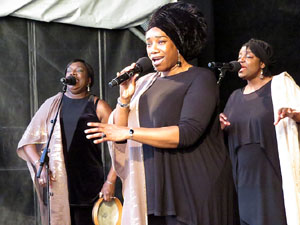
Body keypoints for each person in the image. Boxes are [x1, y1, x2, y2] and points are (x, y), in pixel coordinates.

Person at [85, 3, 238, 225]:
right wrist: (124, 99)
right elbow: (121, 133)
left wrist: (128, 132)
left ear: (179, 44)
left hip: (196, 187)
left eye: (161, 42)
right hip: (156, 187)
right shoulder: (145, 83)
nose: (153, 49)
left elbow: (187, 133)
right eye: (148, 43)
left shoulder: (201, 78)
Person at [17, 59, 117, 225]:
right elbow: (27, 141)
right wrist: (39, 166)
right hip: (58, 184)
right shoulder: (53, 105)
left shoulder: (98, 106)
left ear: (89, 80)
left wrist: (110, 181)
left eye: (79, 71)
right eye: (69, 71)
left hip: (89, 185)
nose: (73, 73)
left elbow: (121, 148)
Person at [219, 38, 300, 225]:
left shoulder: (280, 86)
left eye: (248, 56)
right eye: (239, 57)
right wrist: (219, 126)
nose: (241, 60)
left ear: (262, 63)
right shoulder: (234, 97)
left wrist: (293, 114)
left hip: (271, 173)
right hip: (243, 178)